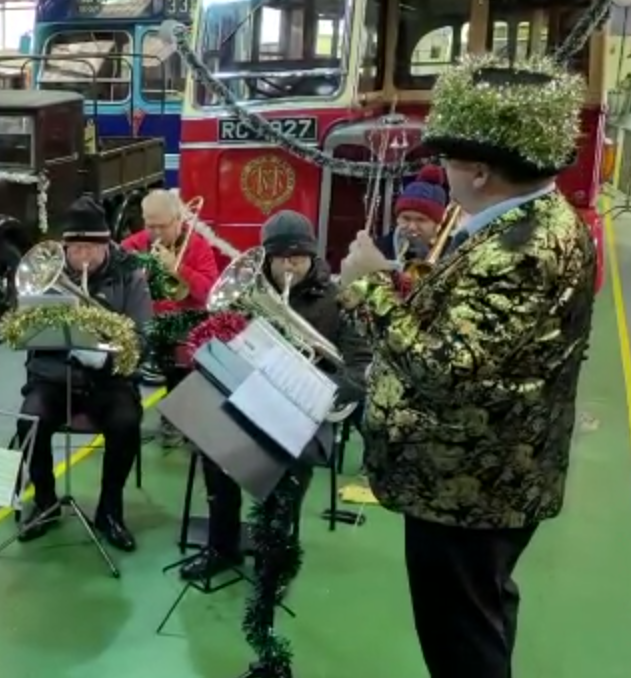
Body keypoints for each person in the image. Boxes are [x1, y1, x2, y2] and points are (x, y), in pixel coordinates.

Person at [338, 58, 596, 678]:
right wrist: (401, 282)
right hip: (484, 477)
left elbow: (445, 368)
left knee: (462, 647)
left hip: (469, 488)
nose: (441, 170)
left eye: (448, 160)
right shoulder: (525, 220)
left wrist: (367, 289)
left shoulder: (522, 249)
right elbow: (475, 325)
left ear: (479, 170)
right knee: (481, 615)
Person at [180, 210, 371, 582]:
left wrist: (319, 389)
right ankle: (222, 546)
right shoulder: (246, 293)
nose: (289, 266)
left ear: (312, 257)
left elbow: (360, 367)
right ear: (267, 258)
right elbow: (220, 341)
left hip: (306, 412)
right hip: (252, 401)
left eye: (299, 258)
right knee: (213, 446)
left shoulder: (337, 300)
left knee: (289, 468)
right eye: (282, 258)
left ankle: (275, 559)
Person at [15, 197, 153, 551]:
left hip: (110, 380)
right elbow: (28, 334)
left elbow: (142, 337)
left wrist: (104, 357)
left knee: (125, 422)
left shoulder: (130, 273)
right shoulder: (49, 275)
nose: (84, 258)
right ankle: (44, 502)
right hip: (55, 376)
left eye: (92, 248)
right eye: (76, 249)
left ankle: (110, 509)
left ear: (107, 244)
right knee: (30, 419)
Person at [121, 189, 221, 447]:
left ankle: (178, 417)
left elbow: (210, 292)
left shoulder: (198, 246)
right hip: (144, 320)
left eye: (161, 226)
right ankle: (127, 411)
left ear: (178, 220)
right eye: (149, 225)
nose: (154, 233)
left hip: (182, 320)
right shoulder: (133, 246)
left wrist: (177, 267)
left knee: (183, 345)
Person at [374, 165, 450, 264]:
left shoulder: (452, 250)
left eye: (421, 220)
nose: (412, 227)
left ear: (437, 224)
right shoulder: (376, 250)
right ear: (397, 219)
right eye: (406, 218)